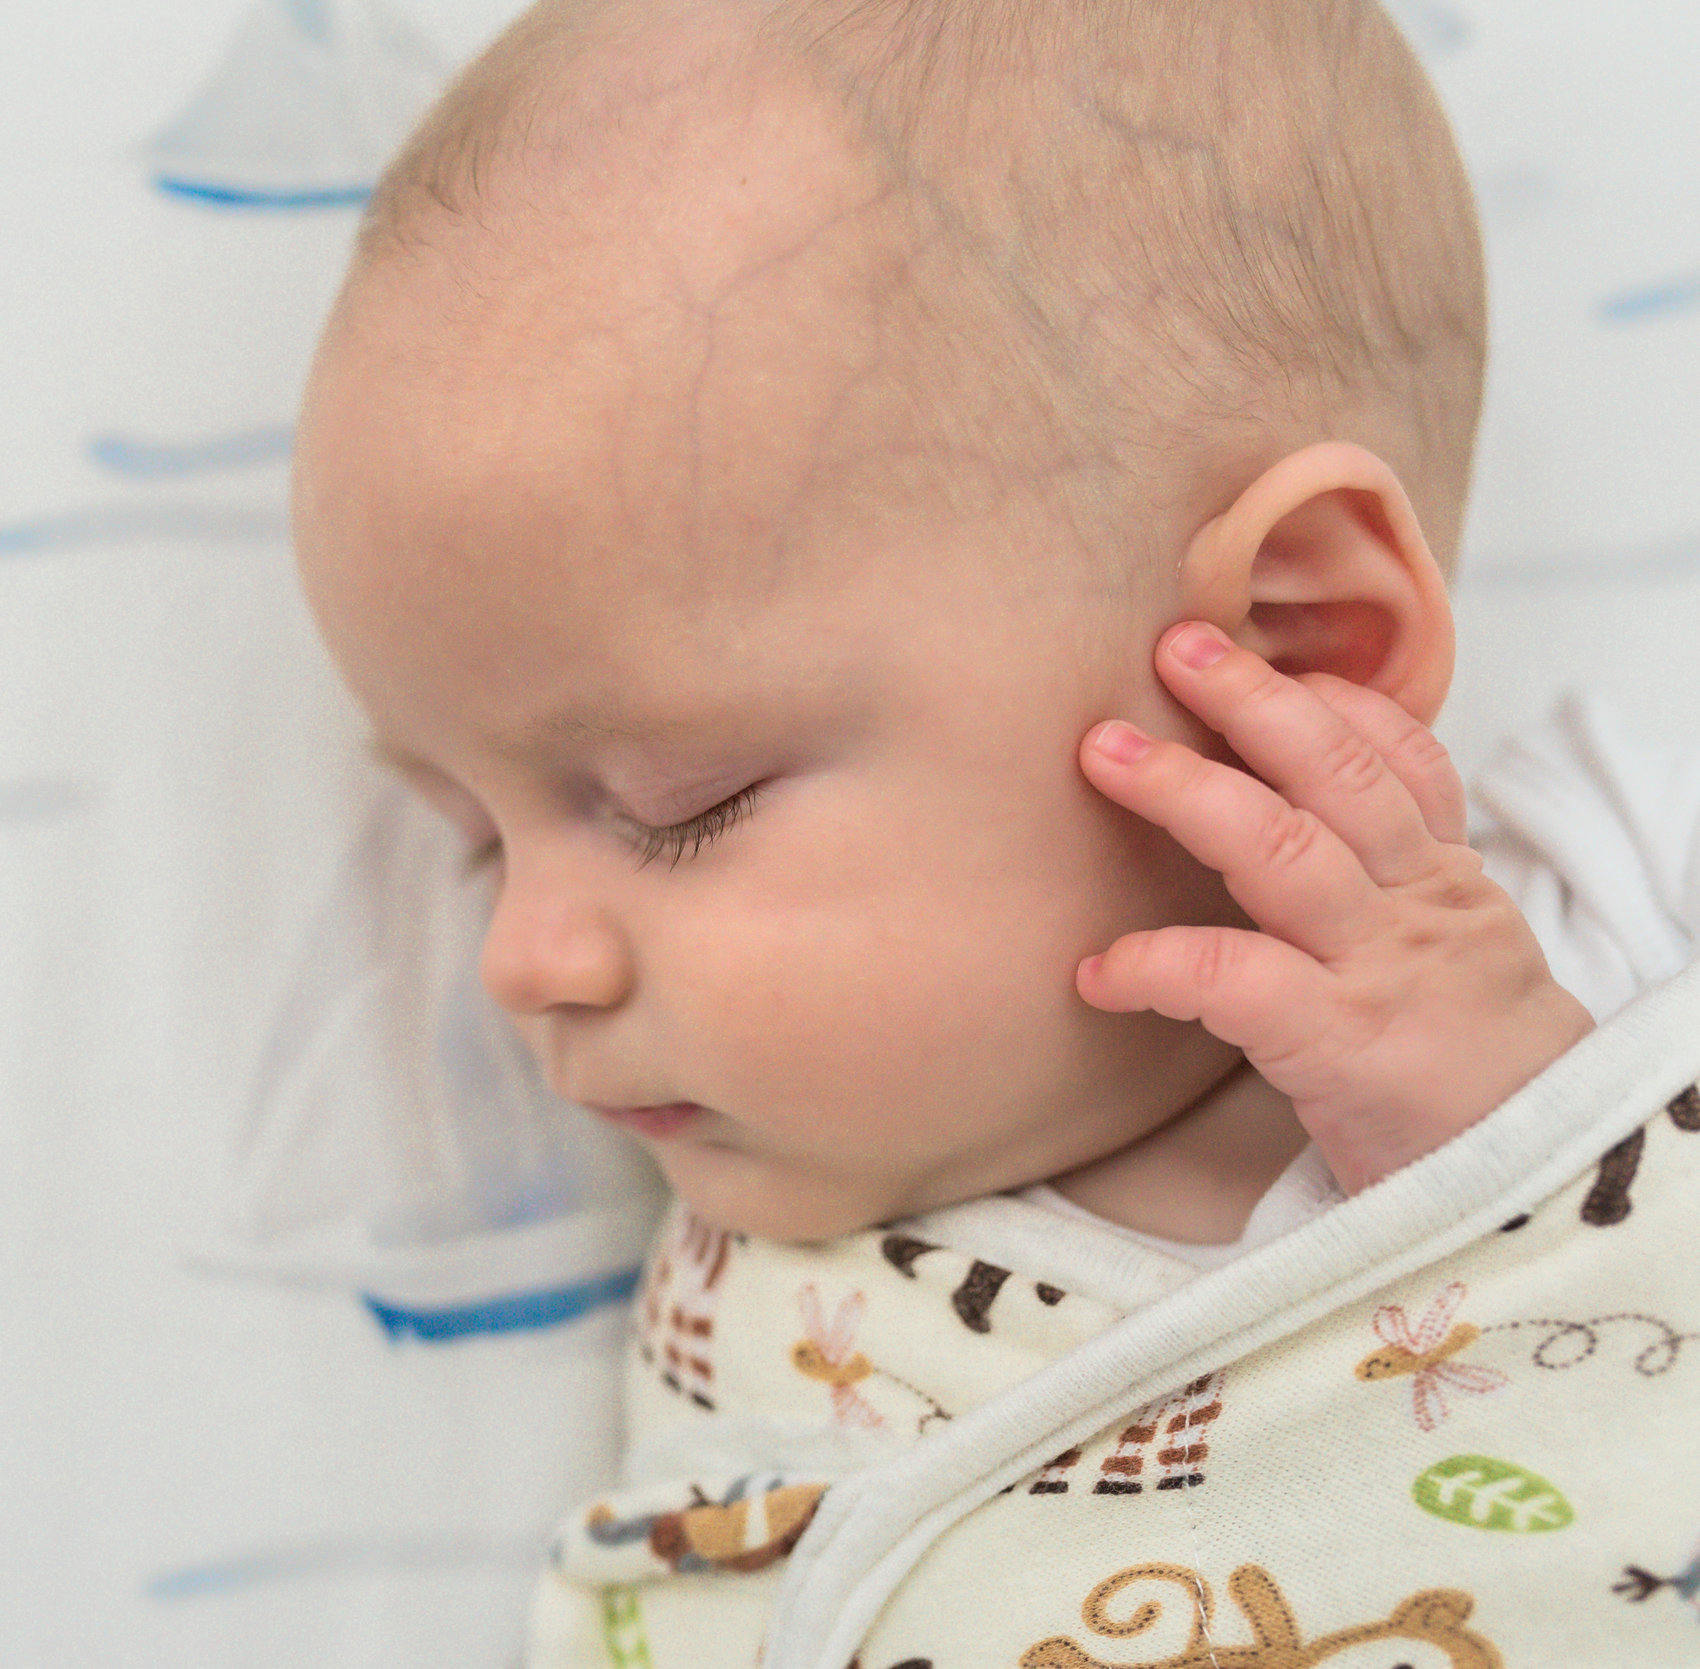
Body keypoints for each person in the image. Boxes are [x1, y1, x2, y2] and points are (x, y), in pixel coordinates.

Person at [289, 1, 1700, 1664]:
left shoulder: (1628, 917)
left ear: (1294, 644)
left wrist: (1526, 1163)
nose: (527, 959)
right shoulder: (780, 1336)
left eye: (684, 806)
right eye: (473, 837)